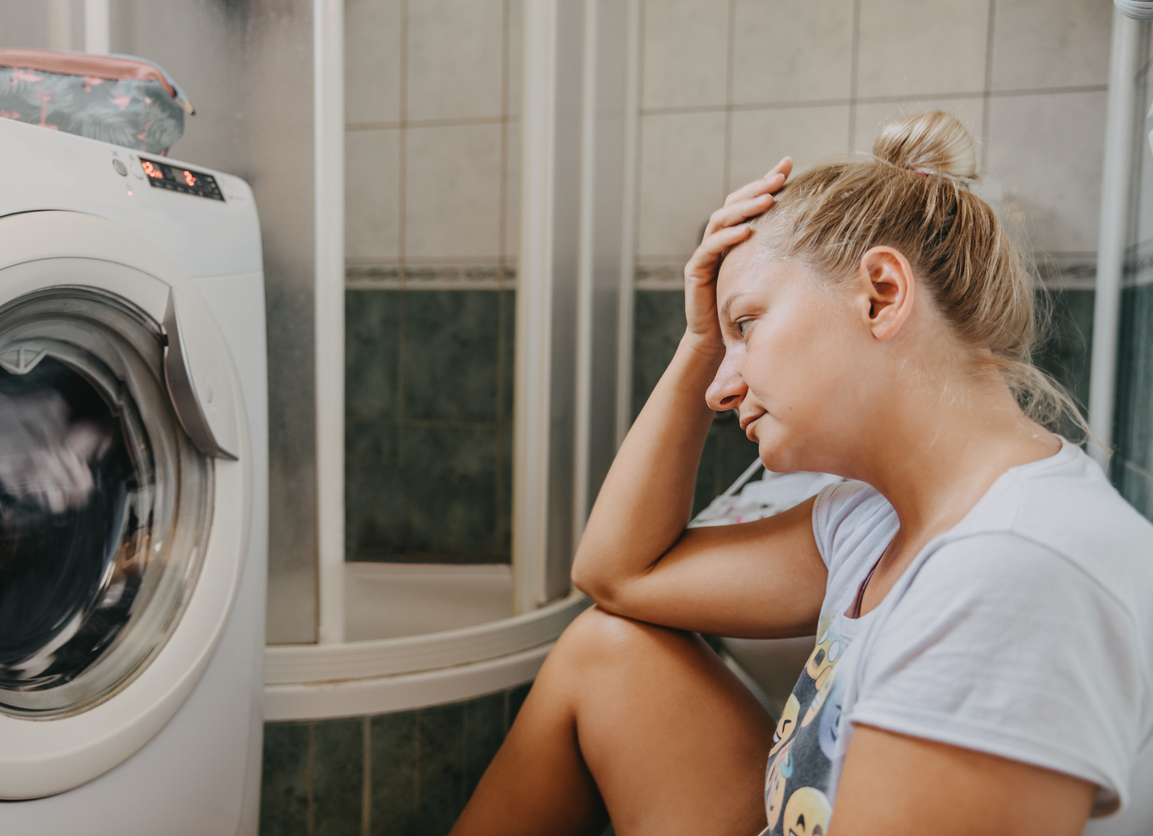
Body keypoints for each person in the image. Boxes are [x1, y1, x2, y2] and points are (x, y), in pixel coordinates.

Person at [448, 111, 1153, 836]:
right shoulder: (877, 517)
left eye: (746, 325)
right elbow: (617, 576)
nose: (719, 392)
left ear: (880, 293)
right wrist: (700, 340)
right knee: (606, 649)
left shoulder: (1012, 573)